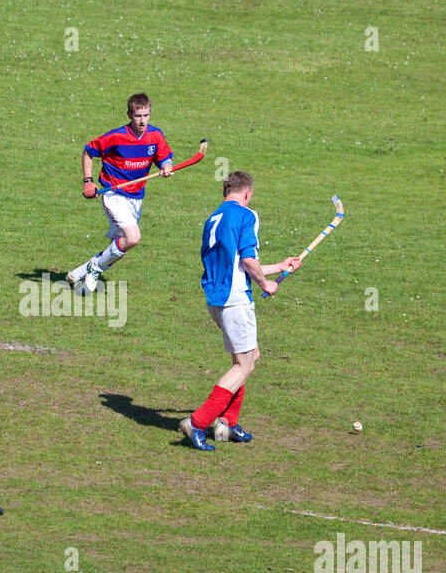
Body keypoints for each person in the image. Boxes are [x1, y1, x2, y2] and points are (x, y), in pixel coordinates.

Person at [180, 171, 298, 451]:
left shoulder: (214, 218)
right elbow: (247, 259)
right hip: (235, 299)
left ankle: (227, 424)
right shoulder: (247, 215)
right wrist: (265, 283)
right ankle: (197, 423)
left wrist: (279, 267)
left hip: (216, 298)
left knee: (251, 355)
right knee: (243, 365)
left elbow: (237, 262)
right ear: (246, 193)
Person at [67, 92, 173, 293]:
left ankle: (81, 271)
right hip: (114, 194)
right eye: (138, 116)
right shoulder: (116, 137)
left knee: (120, 246)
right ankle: (96, 268)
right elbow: (89, 151)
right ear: (129, 115)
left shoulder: (155, 136)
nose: (142, 121)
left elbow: (164, 157)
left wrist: (166, 166)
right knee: (133, 237)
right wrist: (88, 182)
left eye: (146, 115)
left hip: (136, 198)